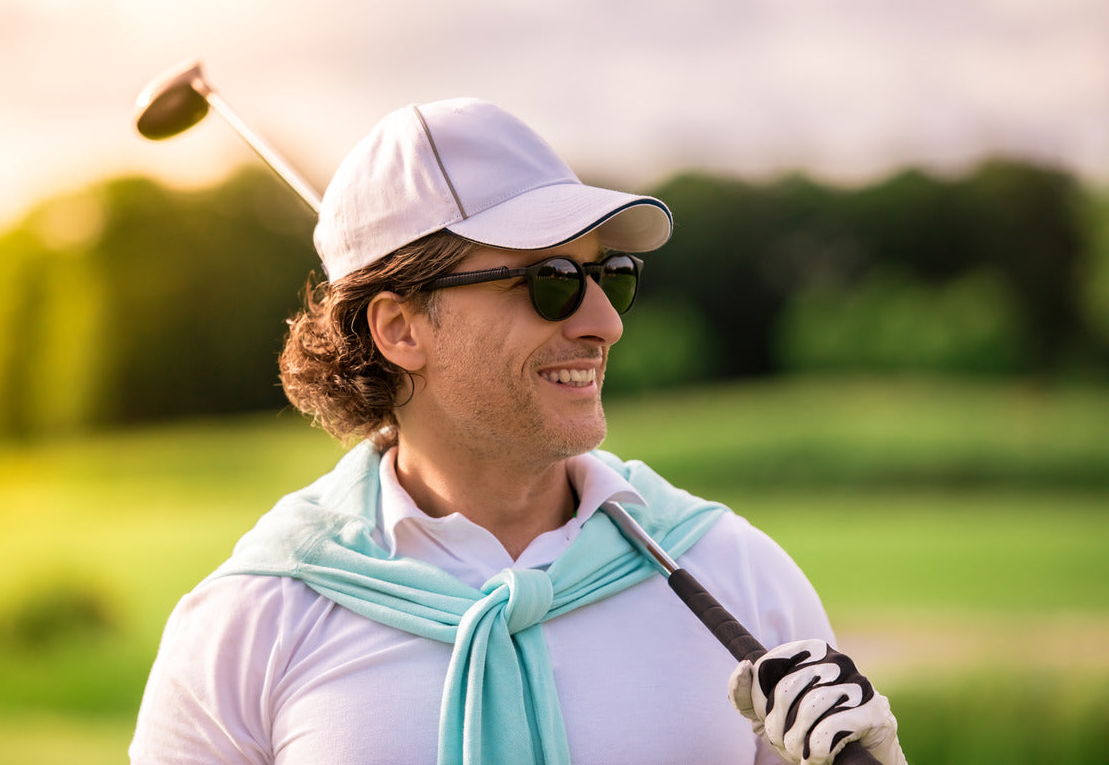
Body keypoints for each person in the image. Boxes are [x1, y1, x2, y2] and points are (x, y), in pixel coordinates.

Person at [129, 97, 907, 765]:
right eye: (551, 282)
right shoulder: (249, 622)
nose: (604, 323)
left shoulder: (741, 578)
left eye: (610, 277)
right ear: (400, 328)